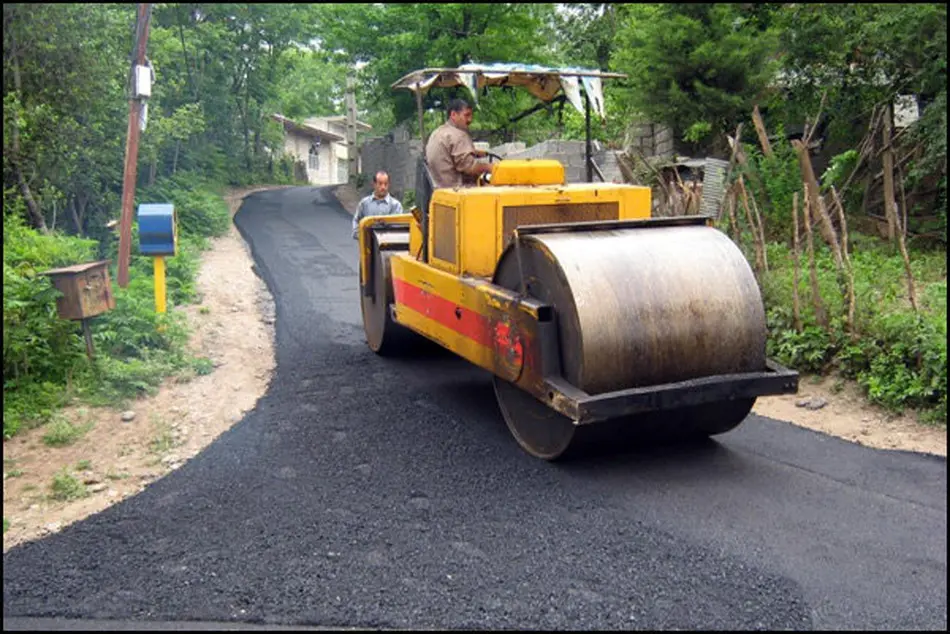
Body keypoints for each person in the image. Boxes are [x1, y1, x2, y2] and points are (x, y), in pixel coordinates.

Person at [425, 98, 494, 189]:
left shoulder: (437, 133)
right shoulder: (459, 135)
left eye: (471, 115)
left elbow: (452, 154)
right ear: (453, 114)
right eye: (466, 115)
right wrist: (492, 167)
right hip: (459, 189)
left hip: (441, 188)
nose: (470, 119)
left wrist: (475, 152)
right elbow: (470, 167)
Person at [352, 171, 404, 239]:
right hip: (367, 246)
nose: (383, 187)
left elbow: (398, 227)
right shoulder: (364, 203)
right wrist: (360, 236)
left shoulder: (396, 205)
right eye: (380, 184)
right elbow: (357, 220)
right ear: (374, 184)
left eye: (386, 184)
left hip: (389, 246)